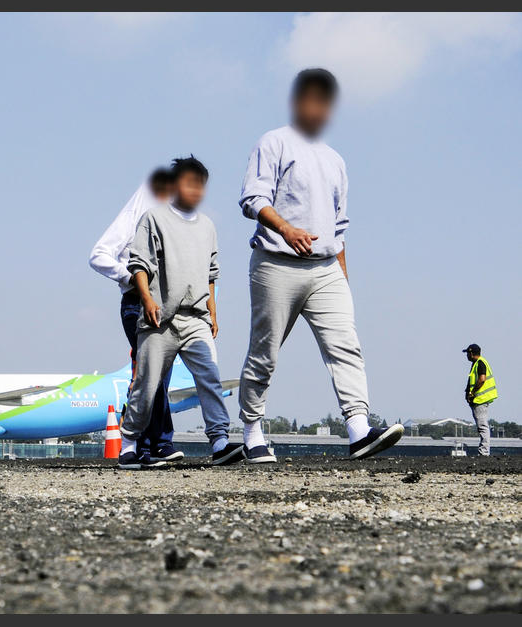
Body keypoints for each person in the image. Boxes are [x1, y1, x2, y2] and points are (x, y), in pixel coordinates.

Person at [237, 69, 404, 463]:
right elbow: (252, 198)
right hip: (277, 263)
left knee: (346, 344)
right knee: (265, 352)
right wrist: (286, 228)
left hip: (327, 268)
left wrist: (343, 280)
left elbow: (339, 226)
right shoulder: (273, 142)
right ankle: (251, 430)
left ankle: (358, 429)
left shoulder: (336, 160)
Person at [120, 156, 242, 470]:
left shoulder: (208, 227)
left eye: (200, 185)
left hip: (196, 318)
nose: (196, 190)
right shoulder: (153, 218)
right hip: (159, 318)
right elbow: (139, 265)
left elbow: (212, 273)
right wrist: (147, 300)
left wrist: (213, 311)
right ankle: (129, 443)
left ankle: (219, 442)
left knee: (210, 378)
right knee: (147, 385)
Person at [90, 167, 183, 462]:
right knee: (152, 376)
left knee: (160, 378)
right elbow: (99, 254)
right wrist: (130, 278)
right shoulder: (142, 208)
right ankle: (152, 445)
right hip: (137, 303)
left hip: (168, 307)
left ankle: (148, 446)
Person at [463, 344, 498, 456]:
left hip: (480, 399)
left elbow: (482, 379)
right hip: (478, 399)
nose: (467, 355)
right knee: (482, 426)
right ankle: (484, 451)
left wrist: (472, 392)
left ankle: (484, 452)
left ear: (472, 353)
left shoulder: (480, 363)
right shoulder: (477, 364)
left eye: (468, 353)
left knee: (482, 426)